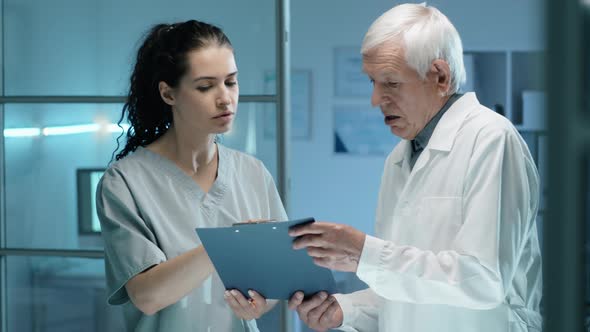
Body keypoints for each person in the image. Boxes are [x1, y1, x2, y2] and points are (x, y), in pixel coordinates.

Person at [288, 3, 542, 332]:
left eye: (391, 83)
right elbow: (404, 289)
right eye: (373, 82)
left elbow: (483, 279)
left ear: (440, 76)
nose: (376, 100)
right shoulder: (399, 158)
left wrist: (365, 253)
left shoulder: (491, 140)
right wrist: (345, 310)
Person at [96, 20, 286, 331]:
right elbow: (147, 296)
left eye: (231, 82)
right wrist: (226, 246)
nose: (225, 98)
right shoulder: (124, 182)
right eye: (206, 86)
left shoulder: (253, 173)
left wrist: (262, 302)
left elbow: (276, 277)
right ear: (168, 94)